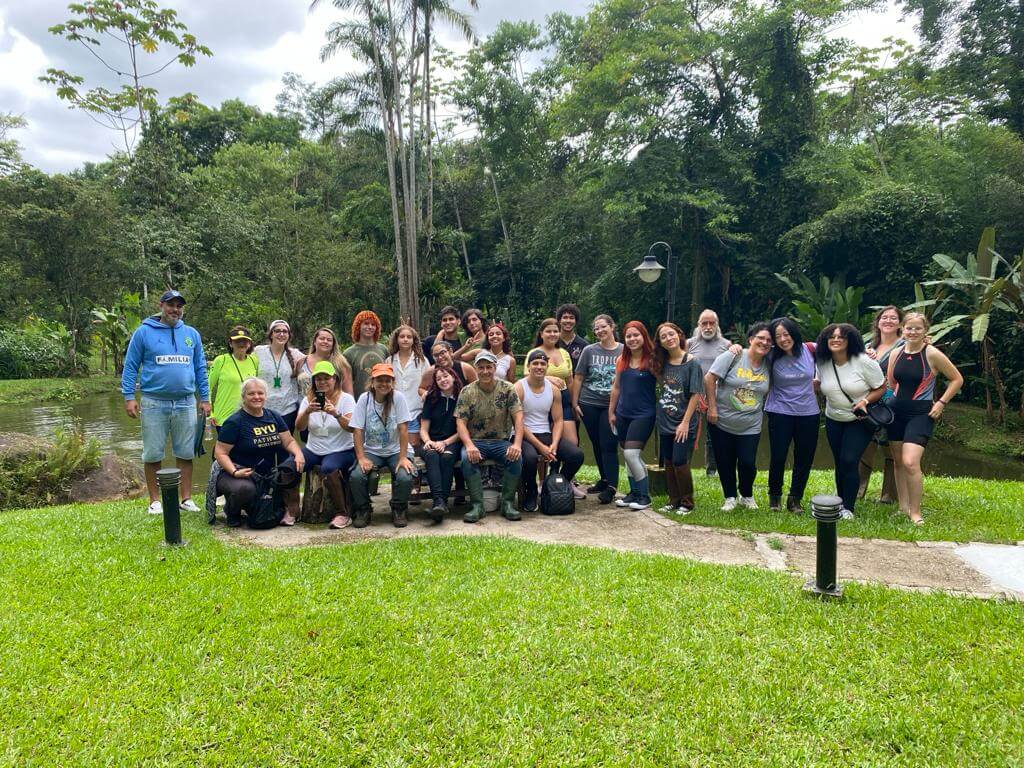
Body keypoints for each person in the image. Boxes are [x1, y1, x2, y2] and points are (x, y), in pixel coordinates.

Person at [121, 289, 211, 515]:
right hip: (153, 402)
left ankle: (186, 498)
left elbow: (200, 367)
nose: (175, 310)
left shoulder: (191, 334)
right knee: (153, 453)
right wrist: (129, 396)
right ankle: (154, 501)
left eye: (179, 306)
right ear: (161, 306)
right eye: (171, 305)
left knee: (186, 452)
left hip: (185, 402)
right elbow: (131, 366)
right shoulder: (143, 333)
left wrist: (205, 398)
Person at [886, 312, 963, 525]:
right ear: (902, 329)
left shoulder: (932, 354)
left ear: (925, 331)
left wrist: (941, 402)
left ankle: (915, 512)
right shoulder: (896, 354)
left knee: (911, 462)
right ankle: (902, 507)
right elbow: (892, 383)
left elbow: (957, 379)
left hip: (921, 414)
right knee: (899, 462)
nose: (913, 332)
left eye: (918, 328)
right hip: (896, 413)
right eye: (909, 328)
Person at [815, 323, 887, 519]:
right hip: (833, 418)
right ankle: (840, 502)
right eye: (832, 337)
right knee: (840, 462)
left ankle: (849, 507)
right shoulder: (822, 362)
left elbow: (881, 387)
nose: (836, 340)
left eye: (841, 337)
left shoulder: (864, 361)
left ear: (850, 340)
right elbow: (819, 384)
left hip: (858, 419)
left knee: (849, 460)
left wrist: (865, 400)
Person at [213, 377, 305, 527]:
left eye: (260, 393)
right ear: (243, 397)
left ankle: (289, 509)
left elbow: (288, 441)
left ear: (266, 396)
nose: (256, 397)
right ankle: (232, 510)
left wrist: (299, 454)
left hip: (265, 475)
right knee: (245, 490)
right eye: (251, 394)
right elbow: (220, 453)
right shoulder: (235, 422)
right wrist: (235, 472)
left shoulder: (274, 416)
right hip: (237, 473)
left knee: (292, 466)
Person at [704, 323, 772, 511]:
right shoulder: (733, 355)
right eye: (760, 338)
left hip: (751, 423)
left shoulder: (770, 363)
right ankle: (730, 497)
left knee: (748, 462)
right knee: (725, 461)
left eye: (768, 340)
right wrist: (712, 407)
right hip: (721, 420)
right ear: (750, 339)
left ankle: (746, 495)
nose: (764, 342)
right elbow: (710, 378)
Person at [455, 351, 524, 523]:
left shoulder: (508, 388)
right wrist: (469, 445)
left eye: (489, 367)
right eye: (481, 367)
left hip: (500, 441)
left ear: (495, 368)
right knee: (466, 458)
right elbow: (461, 423)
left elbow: (519, 418)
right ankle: (478, 505)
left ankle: (507, 503)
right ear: (476, 369)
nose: (485, 371)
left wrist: (516, 444)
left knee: (516, 458)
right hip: (476, 441)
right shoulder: (467, 391)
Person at [516, 350, 585, 512]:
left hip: (546, 433)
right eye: (535, 364)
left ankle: (553, 483)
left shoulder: (553, 390)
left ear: (547, 367)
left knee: (576, 455)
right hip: (524, 435)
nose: (539, 367)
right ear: (529, 366)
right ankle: (531, 491)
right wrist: (541, 447)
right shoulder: (519, 388)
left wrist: (554, 444)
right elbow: (518, 422)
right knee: (531, 458)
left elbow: (558, 420)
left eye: (542, 364)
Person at [762, 317, 819, 513]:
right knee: (778, 455)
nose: (783, 339)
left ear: (793, 333)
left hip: (808, 412)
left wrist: (869, 352)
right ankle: (775, 497)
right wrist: (733, 348)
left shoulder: (811, 349)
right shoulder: (770, 355)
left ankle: (795, 499)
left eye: (786, 334)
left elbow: (840, 351)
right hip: (780, 411)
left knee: (804, 457)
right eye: (777, 336)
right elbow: (749, 354)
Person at [349, 363, 415, 528]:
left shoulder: (398, 398)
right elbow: (357, 430)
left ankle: (399, 508)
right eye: (380, 380)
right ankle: (364, 509)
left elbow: (403, 428)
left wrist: (403, 457)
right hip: (372, 450)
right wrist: (362, 457)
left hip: (396, 449)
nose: (384, 384)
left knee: (405, 475)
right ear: (373, 381)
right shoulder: (365, 399)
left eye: (388, 380)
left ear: (392, 382)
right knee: (356, 476)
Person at [295, 361, 357, 529]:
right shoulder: (308, 399)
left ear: (335, 379)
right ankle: (291, 510)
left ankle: (342, 513)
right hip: (314, 448)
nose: (322, 382)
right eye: (318, 379)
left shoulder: (346, 399)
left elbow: (352, 427)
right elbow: (299, 427)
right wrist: (307, 412)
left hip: (342, 449)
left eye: (326, 378)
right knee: (289, 467)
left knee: (328, 468)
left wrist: (336, 414)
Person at [652, 323, 703, 514]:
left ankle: (687, 502)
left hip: (684, 421)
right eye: (663, 336)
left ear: (679, 335)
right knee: (669, 461)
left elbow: (696, 394)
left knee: (680, 461)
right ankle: (673, 500)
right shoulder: (660, 363)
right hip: (665, 420)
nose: (668, 338)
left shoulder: (692, 362)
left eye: (671, 334)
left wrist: (685, 422)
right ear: (660, 342)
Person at [572, 314, 623, 504]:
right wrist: (575, 403)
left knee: (609, 444)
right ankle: (604, 479)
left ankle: (612, 487)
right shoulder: (589, 350)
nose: (599, 331)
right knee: (596, 442)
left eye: (603, 327)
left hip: (612, 406)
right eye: (596, 328)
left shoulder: (623, 351)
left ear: (612, 327)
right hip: (589, 403)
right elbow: (579, 377)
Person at [607, 321, 657, 510]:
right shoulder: (622, 360)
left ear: (644, 336)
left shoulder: (653, 360)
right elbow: (616, 387)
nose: (632, 339)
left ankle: (645, 496)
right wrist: (611, 412)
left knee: (631, 454)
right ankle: (633, 493)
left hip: (644, 414)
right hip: (623, 414)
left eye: (636, 335)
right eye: (628, 336)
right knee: (628, 456)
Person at [860, 306, 905, 503]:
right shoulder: (868, 345)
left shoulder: (906, 346)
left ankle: (889, 495)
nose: (888, 321)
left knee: (892, 449)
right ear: (877, 322)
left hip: (894, 405)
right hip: (869, 404)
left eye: (893, 318)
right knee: (864, 446)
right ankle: (858, 490)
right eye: (884, 317)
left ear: (900, 323)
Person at [688, 309, 732, 477]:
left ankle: (712, 470)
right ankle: (685, 467)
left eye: (711, 323)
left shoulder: (727, 345)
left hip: (718, 396)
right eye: (704, 323)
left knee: (714, 436)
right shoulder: (689, 344)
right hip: (694, 396)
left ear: (717, 325)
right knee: (690, 432)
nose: (708, 326)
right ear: (699, 325)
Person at [419, 367, 463, 521]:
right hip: (431, 440)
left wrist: (445, 442)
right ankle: (439, 502)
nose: (443, 380)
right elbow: (423, 429)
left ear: (453, 377)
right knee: (431, 455)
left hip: (453, 441)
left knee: (446, 458)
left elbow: (463, 431)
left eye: (446, 376)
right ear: (435, 383)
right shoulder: (431, 398)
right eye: (438, 379)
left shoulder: (462, 398)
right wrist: (428, 441)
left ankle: (440, 504)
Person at [530, 318, 579, 453]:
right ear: (541, 334)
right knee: (549, 438)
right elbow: (527, 378)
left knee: (572, 443)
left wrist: (573, 403)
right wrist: (548, 377)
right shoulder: (534, 353)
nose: (552, 334)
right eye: (548, 331)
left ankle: (561, 473)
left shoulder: (564, 353)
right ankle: (552, 470)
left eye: (555, 331)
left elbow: (570, 380)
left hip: (563, 399)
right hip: (543, 400)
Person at [254, 320, 306, 433]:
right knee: (264, 447)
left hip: (288, 410)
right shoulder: (258, 351)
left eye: (285, 331)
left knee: (285, 447)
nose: (281, 334)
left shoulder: (295, 354)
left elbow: (313, 361)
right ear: (271, 334)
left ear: (289, 335)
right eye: (277, 331)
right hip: (262, 408)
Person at [386, 324, 430, 450]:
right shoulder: (389, 361)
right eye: (402, 336)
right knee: (396, 446)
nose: (405, 339)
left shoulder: (421, 360)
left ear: (414, 340)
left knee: (413, 445)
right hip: (394, 411)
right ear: (397, 339)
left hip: (415, 411)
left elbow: (428, 385)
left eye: (409, 337)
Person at [209, 326, 259, 432]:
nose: (241, 343)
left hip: (248, 416)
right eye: (237, 341)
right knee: (225, 448)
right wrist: (210, 414)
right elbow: (207, 387)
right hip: (224, 417)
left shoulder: (254, 361)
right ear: (231, 343)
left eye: (245, 341)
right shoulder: (221, 360)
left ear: (249, 344)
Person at [296, 326, 354, 398]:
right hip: (304, 407)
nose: (325, 341)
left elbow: (348, 393)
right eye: (322, 338)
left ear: (333, 344)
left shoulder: (341, 364)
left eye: (329, 340)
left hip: (331, 407)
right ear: (314, 342)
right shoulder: (301, 362)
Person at [344, 310, 389, 395]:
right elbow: (346, 383)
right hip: (359, 402)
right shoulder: (349, 353)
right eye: (366, 323)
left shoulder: (384, 349)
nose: (370, 327)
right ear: (358, 326)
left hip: (383, 401)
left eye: (373, 324)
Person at [555, 303, 588, 368]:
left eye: (571, 318)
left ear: (576, 321)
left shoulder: (584, 345)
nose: (568, 321)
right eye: (565, 317)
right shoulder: (552, 342)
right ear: (559, 320)